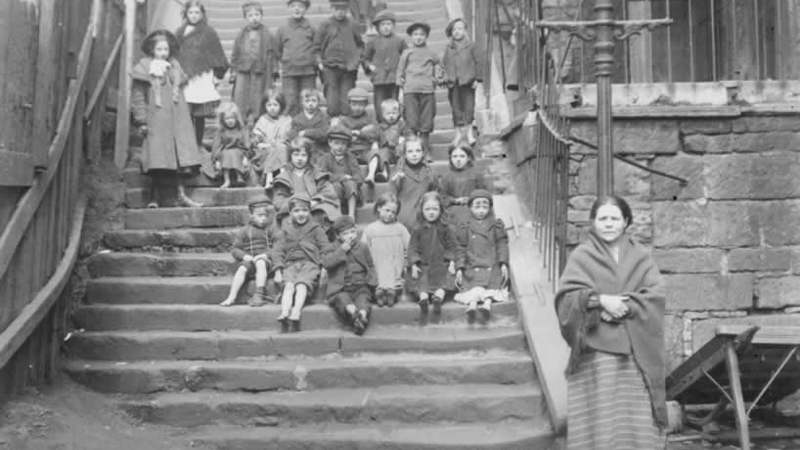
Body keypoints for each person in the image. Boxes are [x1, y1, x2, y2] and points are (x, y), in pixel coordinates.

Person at [555, 196, 667, 450]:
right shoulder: (582, 256)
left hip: (634, 351)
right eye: (602, 218)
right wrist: (600, 301)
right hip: (596, 351)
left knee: (635, 419)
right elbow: (566, 298)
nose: (608, 224)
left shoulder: (641, 256)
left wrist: (624, 306)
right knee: (602, 421)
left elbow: (656, 295)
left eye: (614, 218)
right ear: (593, 222)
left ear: (626, 221)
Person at [131, 29, 204, 208]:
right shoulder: (144, 67)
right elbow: (138, 96)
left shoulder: (175, 66)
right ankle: (154, 197)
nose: (163, 53)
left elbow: (182, 88)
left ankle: (181, 195)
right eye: (159, 49)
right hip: (157, 119)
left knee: (180, 157)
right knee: (157, 158)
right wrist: (141, 120)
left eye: (166, 49)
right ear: (151, 50)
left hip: (177, 118)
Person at [273, 193, 331, 332]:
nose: (301, 214)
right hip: (291, 265)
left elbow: (325, 248)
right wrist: (277, 270)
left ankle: (296, 311)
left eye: (305, 210)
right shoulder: (286, 230)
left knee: (301, 285)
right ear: (290, 212)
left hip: (309, 264)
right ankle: (285, 311)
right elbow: (278, 251)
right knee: (288, 286)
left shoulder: (316, 229)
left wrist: (324, 267)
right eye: (296, 211)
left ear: (310, 212)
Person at [174, 1, 229, 148]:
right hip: (185, 77)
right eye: (191, 12)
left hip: (202, 77)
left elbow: (217, 54)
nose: (194, 16)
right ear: (186, 14)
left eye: (197, 13)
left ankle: (197, 143)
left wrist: (217, 75)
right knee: (186, 112)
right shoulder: (180, 32)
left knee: (199, 113)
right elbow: (175, 53)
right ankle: (186, 145)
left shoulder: (209, 32)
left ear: (202, 14)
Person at [454, 189, 509, 324]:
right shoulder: (465, 226)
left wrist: (503, 263)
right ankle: (472, 305)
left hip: (491, 262)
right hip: (472, 262)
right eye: (477, 207)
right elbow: (461, 247)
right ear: (470, 208)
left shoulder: (496, 225)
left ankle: (487, 305)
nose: (481, 211)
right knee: (473, 284)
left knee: (492, 285)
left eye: (485, 207)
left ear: (490, 208)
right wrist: (459, 267)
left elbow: (502, 244)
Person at [407, 191, 457, 325]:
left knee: (447, 277)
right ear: (422, 210)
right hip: (424, 264)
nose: (431, 212)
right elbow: (413, 247)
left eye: (435, 209)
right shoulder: (417, 228)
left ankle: (438, 297)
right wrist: (413, 264)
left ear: (440, 210)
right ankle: (423, 298)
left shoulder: (446, 228)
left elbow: (452, 246)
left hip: (441, 263)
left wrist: (452, 261)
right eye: (427, 209)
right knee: (420, 278)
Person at [322, 215, 376, 335]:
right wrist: (342, 250)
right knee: (342, 299)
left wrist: (372, 282)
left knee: (364, 300)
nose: (350, 236)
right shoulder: (332, 248)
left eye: (352, 232)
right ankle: (354, 315)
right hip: (341, 288)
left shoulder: (363, 247)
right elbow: (327, 263)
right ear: (338, 236)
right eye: (346, 233)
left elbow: (371, 265)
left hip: (360, 285)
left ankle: (361, 316)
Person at [220, 196, 277, 307]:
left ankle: (259, 294)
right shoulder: (245, 231)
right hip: (251, 260)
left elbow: (278, 247)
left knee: (260, 262)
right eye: (260, 216)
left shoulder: (271, 229)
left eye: (266, 215)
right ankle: (232, 296)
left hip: (267, 262)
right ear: (251, 216)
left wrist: (265, 255)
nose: (263, 218)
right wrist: (245, 256)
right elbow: (235, 249)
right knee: (242, 268)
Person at [229, 2, 279, 125]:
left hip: (261, 71)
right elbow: (235, 53)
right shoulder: (241, 34)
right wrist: (233, 71)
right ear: (246, 18)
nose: (254, 18)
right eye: (250, 15)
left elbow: (274, 54)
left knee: (259, 97)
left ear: (261, 16)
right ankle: (241, 124)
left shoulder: (268, 34)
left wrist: (274, 70)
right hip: (243, 70)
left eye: (257, 14)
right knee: (241, 96)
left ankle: (258, 123)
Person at [272, 137, 341, 225]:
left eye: (303, 155)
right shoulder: (284, 177)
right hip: (294, 209)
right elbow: (279, 200)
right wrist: (295, 204)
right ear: (290, 156)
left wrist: (315, 201)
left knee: (320, 216)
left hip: (314, 207)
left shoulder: (316, 173)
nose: (299, 158)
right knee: (289, 221)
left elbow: (328, 192)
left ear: (308, 157)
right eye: (296, 155)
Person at [397, 21, 442, 153]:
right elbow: (400, 70)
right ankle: (412, 149)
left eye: (422, 34)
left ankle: (425, 149)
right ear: (411, 37)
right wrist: (400, 86)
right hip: (410, 90)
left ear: (426, 36)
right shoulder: (407, 53)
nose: (418, 37)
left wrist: (436, 78)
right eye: (415, 34)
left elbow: (439, 67)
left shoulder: (431, 53)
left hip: (427, 90)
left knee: (426, 120)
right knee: (411, 119)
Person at [315, 0, 364, 117]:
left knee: (347, 102)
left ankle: (346, 125)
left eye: (343, 9)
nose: (340, 12)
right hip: (330, 67)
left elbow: (360, 45)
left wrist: (356, 60)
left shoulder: (352, 24)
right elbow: (316, 46)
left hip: (348, 68)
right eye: (337, 9)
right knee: (332, 102)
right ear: (331, 9)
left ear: (347, 10)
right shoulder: (325, 25)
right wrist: (319, 62)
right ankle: (333, 123)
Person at [361, 193, 409, 307]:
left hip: (394, 261)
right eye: (387, 210)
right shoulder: (370, 228)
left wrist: (407, 261)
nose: (390, 214)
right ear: (378, 208)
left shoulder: (400, 228)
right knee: (377, 278)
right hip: (377, 261)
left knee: (395, 280)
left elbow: (409, 245)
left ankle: (391, 294)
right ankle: (379, 294)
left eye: (393, 212)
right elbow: (363, 248)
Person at [442, 18, 483, 146]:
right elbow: (444, 64)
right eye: (454, 29)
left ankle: (469, 133)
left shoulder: (471, 45)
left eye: (460, 28)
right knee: (456, 109)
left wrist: (478, 79)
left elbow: (479, 62)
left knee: (469, 108)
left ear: (465, 30)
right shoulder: (448, 48)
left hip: (468, 82)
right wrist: (445, 78)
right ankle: (458, 134)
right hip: (453, 84)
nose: (457, 32)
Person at [275, 0, 319, 117]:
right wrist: (286, 60)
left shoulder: (311, 28)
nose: (297, 9)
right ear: (289, 8)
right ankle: (291, 125)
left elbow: (317, 48)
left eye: (300, 6)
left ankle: (309, 124)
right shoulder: (282, 29)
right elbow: (277, 50)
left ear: (306, 9)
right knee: (290, 101)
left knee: (308, 100)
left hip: (308, 71)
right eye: (293, 6)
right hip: (289, 71)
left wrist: (312, 61)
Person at [363, 10, 406, 122]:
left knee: (394, 102)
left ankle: (395, 127)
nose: (386, 27)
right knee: (379, 103)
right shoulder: (373, 41)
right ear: (377, 27)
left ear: (393, 26)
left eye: (389, 24)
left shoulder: (399, 40)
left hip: (394, 77)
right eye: (383, 25)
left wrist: (402, 72)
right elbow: (365, 58)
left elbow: (406, 56)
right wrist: (370, 66)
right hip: (379, 78)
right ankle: (381, 126)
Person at [389, 135, 438, 231]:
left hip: (425, 213)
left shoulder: (430, 173)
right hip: (405, 215)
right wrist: (395, 183)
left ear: (423, 153)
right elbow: (391, 198)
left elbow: (436, 193)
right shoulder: (398, 174)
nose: (414, 154)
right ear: (404, 154)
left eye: (418, 151)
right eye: (410, 151)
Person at [318, 124, 364, 219]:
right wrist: (342, 177)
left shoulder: (350, 158)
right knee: (336, 186)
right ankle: (337, 214)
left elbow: (359, 176)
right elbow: (322, 175)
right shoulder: (325, 158)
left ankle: (351, 214)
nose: (340, 147)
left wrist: (351, 179)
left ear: (347, 145)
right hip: (333, 192)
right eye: (336, 143)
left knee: (350, 183)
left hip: (351, 192)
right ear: (330, 143)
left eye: (343, 144)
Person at [251, 89, 292, 188]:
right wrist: (260, 143)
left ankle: (282, 174)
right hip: (266, 149)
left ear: (281, 105)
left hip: (282, 148)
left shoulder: (286, 120)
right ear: (265, 106)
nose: (272, 108)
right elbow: (256, 138)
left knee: (281, 148)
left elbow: (289, 137)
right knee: (272, 150)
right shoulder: (262, 120)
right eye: (269, 105)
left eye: (275, 105)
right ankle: (269, 177)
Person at [440, 144, 487, 227]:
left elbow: (484, 194)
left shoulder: (476, 175)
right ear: (450, 158)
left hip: (474, 209)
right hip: (453, 211)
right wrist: (455, 200)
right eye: (455, 156)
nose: (458, 159)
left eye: (462, 156)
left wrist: (472, 199)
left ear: (468, 158)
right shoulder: (446, 177)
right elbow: (442, 197)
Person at [365, 98, 406, 184]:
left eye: (394, 113)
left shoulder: (401, 124)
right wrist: (375, 143)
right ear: (383, 115)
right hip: (386, 151)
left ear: (398, 113)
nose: (391, 116)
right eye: (388, 114)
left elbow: (407, 133)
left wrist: (402, 138)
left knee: (401, 151)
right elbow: (374, 136)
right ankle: (384, 173)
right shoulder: (380, 127)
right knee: (383, 152)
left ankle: (398, 172)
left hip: (397, 150)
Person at [210, 102, 251, 189]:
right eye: (227, 118)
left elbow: (246, 144)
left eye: (232, 118)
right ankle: (227, 179)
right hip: (224, 153)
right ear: (222, 119)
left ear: (236, 118)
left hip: (239, 151)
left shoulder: (241, 130)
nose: (230, 121)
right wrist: (216, 160)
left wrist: (246, 157)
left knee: (235, 152)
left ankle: (239, 176)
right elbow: (216, 146)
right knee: (227, 153)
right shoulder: (221, 131)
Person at [337, 87, 379, 164]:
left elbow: (375, 133)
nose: (357, 108)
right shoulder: (344, 119)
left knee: (374, 154)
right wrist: (350, 133)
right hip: (350, 149)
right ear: (349, 104)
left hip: (366, 149)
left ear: (366, 105)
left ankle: (371, 174)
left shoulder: (369, 117)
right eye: (354, 104)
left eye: (361, 105)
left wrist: (360, 133)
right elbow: (340, 132)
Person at [289, 88, 331, 160]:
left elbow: (325, 134)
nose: (310, 104)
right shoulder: (297, 119)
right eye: (307, 101)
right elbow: (293, 135)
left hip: (320, 149)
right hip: (302, 150)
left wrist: (307, 133)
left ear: (318, 102)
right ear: (302, 103)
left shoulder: (324, 117)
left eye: (314, 101)